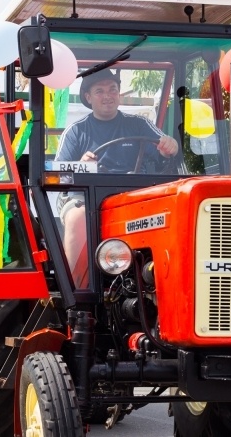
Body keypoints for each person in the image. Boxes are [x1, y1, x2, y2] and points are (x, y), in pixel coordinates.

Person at [55, 69, 179, 287]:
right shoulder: (76, 131)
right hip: (88, 198)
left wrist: (170, 146)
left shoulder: (139, 124)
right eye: (100, 91)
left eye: (113, 89)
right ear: (88, 97)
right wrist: (80, 167)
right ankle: (76, 292)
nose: (108, 95)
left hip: (134, 197)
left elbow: (164, 149)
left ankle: (164, 285)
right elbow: (58, 177)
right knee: (77, 218)